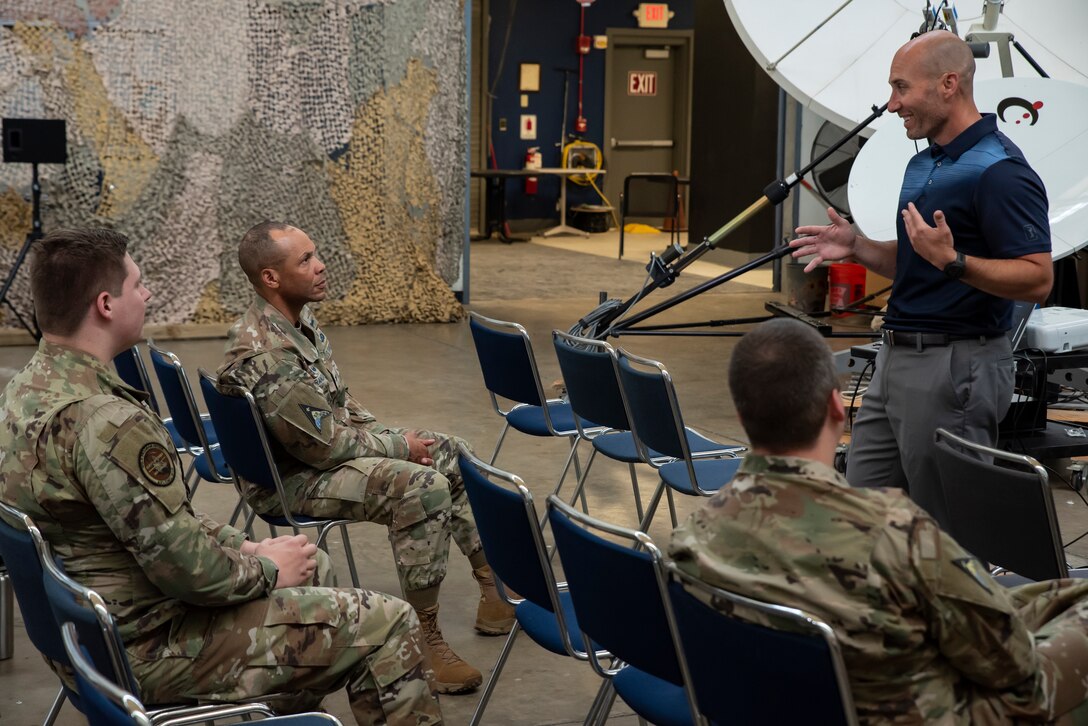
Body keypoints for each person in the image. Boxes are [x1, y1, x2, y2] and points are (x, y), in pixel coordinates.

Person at [0, 228, 443, 725]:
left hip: (85, 635)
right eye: (138, 284)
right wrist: (266, 569)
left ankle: (287, 713)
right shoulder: (107, 422)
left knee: (312, 563)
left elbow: (158, 522)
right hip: (147, 646)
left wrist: (248, 546)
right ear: (105, 305)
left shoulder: (25, 391)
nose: (147, 294)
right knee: (390, 624)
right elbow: (189, 573)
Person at [669, 318, 1088, 723]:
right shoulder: (896, 533)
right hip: (920, 712)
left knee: (1052, 597)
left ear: (742, 416)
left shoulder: (694, 537)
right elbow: (1014, 668)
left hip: (772, 707)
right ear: (837, 406)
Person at [216, 220, 514, 694]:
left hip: (317, 456)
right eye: (306, 260)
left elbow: (341, 403)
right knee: (421, 487)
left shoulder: (298, 322)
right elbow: (325, 447)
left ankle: (492, 589)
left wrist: (392, 437)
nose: (321, 266)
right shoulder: (268, 353)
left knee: (452, 453)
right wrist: (399, 447)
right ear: (270, 278)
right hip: (290, 479)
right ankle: (425, 641)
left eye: (316, 254)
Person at [789, 30, 1053, 526]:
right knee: (865, 517)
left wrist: (954, 260)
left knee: (947, 531)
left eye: (901, 87)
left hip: (955, 366)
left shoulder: (1000, 171)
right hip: (895, 358)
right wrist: (858, 247)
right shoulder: (922, 163)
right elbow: (919, 261)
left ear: (948, 84)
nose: (892, 104)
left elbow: (1037, 279)